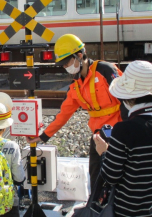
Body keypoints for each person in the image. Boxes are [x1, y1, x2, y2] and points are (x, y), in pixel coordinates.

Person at [27, 33, 127, 190]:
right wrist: (43, 136)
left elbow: (127, 100)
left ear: (80, 55)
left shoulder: (105, 71)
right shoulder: (75, 86)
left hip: (120, 133)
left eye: (67, 62)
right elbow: (63, 115)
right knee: (96, 177)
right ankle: (95, 208)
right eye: (63, 65)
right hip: (98, 136)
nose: (66, 67)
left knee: (119, 178)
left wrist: (130, 131)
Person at [94, 60, 152, 217]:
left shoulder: (123, 130)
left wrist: (104, 152)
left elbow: (111, 176)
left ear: (129, 98)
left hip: (127, 211)